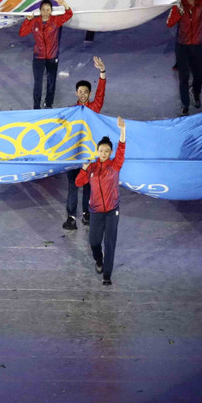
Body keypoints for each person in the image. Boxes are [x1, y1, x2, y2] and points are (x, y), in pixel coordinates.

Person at [76, 116, 126, 286]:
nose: (103, 154)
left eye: (106, 151)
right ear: (97, 152)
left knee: (110, 243)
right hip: (96, 212)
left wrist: (122, 130)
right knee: (94, 242)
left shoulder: (115, 165)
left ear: (110, 153)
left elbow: (121, 148)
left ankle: (107, 274)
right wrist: (83, 169)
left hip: (112, 211)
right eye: (101, 151)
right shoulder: (92, 167)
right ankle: (99, 260)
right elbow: (78, 182)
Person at [64, 56, 107, 231]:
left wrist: (102, 72)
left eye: (85, 92)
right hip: (74, 156)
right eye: (80, 91)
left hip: (89, 156)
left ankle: (86, 214)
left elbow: (101, 93)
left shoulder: (94, 108)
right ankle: (71, 217)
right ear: (76, 93)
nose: (82, 94)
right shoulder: (70, 112)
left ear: (89, 94)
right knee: (73, 186)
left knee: (88, 186)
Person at [18, 0, 73, 110]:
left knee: (51, 82)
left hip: (52, 57)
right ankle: (36, 106)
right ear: (40, 10)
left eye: (48, 10)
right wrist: (27, 20)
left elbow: (69, 14)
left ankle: (48, 104)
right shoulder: (34, 22)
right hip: (38, 57)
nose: (45, 12)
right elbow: (22, 33)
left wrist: (65, 4)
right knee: (38, 83)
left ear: (51, 11)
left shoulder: (55, 21)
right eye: (43, 9)